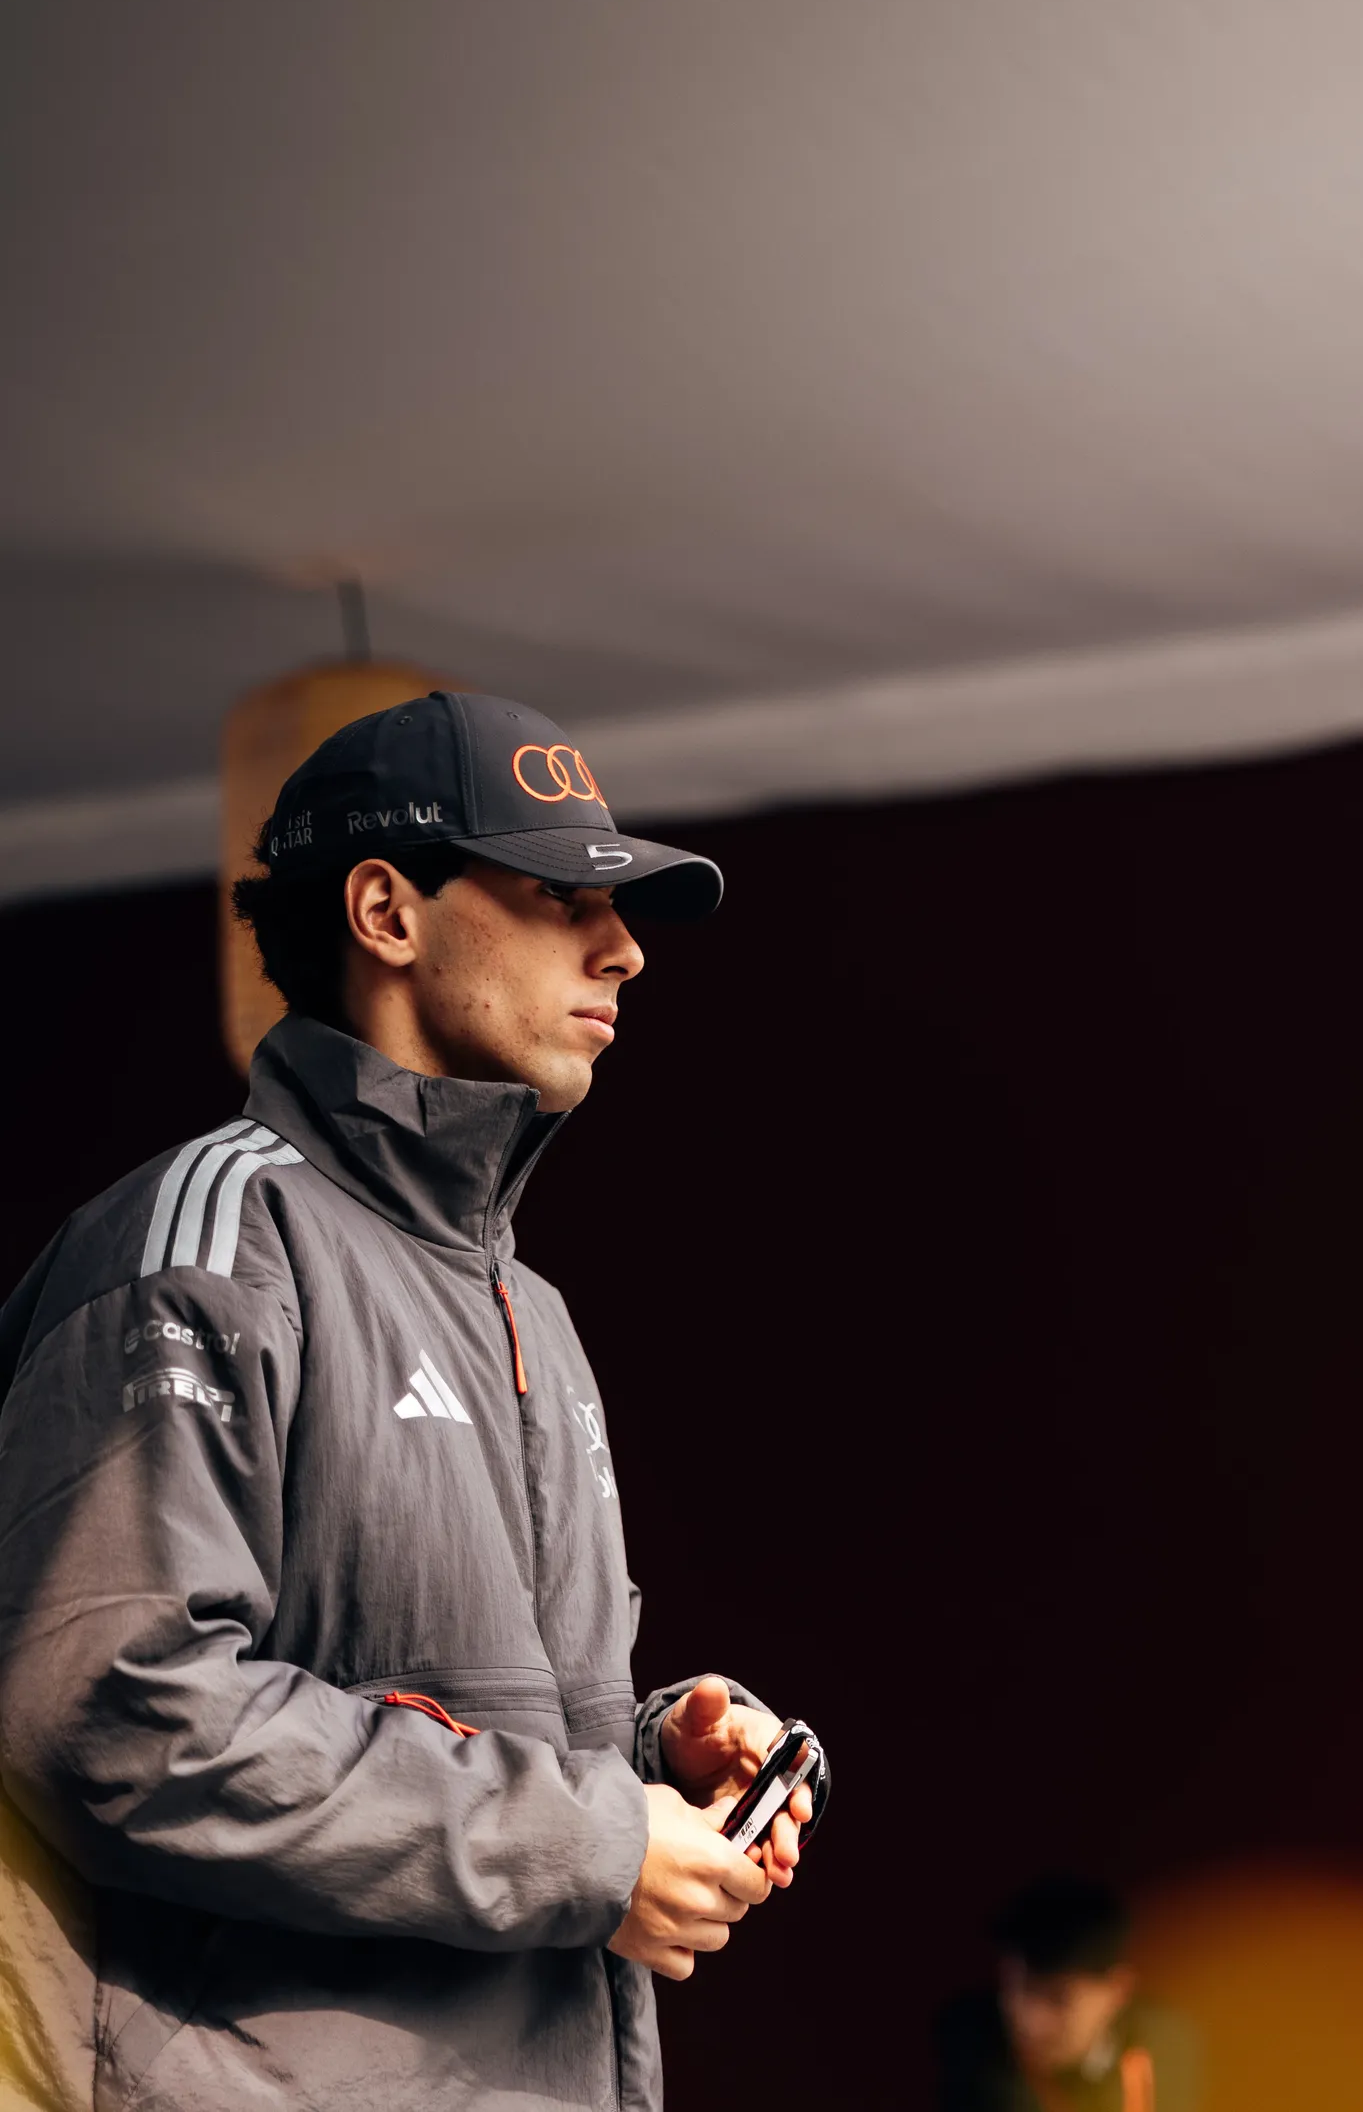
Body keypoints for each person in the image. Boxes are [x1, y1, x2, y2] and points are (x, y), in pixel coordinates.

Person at [0, 688, 827, 2112]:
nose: (622, 947)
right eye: (562, 895)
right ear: (387, 910)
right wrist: (590, 1840)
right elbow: (123, 1713)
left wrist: (642, 1759)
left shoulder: (532, 1309)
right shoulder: (203, 1246)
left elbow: (410, 1705)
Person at [934, 1874, 1198, 2112]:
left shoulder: (1164, 2047)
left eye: (1059, 1999)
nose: (1030, 2021)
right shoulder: (969, 2051)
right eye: (1018, 1987)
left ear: (1118, 1991)